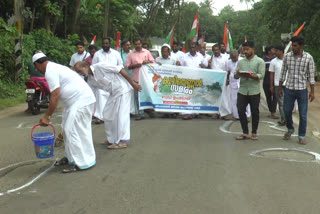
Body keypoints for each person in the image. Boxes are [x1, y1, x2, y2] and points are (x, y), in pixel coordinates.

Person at [33, 52, 96, 173]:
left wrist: (47, 116)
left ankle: (81, 162)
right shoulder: (54, 67)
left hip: (81, 101)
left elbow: (55, 94)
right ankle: (70, 157)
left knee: (72, 130)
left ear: (37, 64)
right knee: (66, 129)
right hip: (74, 103)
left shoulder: (50, 71)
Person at [74, 61, 141, 149]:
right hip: (113, 93)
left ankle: (122, 141)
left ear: (85, 66)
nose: (80, 73)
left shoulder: (100, 66)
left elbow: (120, 70)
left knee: (120, 116)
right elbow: (89, 94)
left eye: (79, 71)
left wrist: (133, 84)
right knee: (107, 114)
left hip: (122, 89)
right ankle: (111, 139)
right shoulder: (90, 80)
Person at [278, 36, 315, 145]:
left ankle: (301, 136)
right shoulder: (287, 57)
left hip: (302, 90)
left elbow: (311, 76)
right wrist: (280, 88)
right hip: (289, 88)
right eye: (292, 45)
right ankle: (290, 128)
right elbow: (283, 73)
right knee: (287, 111)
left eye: (295, 46)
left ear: (301, 46)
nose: (293, 48)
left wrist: (312, 92)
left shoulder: (308, 58)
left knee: (303, 114)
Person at [234, 41, 265, 140]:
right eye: (244, 50)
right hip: (242, 90)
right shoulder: (241, 62)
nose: (245, 52)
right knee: (240, 110)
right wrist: (238, 73)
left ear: (253, 49)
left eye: (247, 50)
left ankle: (254, 132)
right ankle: (245, 132)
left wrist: (252, 75)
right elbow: (235, 75)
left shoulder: (260, 61)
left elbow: (261, 75)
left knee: (255, 111)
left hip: (254, 91)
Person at [92, 37, 123, 124]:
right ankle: (100, 117)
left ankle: (111, 117)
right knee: (100, 98)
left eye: (107, 43)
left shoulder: (116, 53)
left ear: (110, 44)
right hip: (101, 80)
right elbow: (93, 67)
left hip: (113, 79)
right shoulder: (97, 54)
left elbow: (120, 65)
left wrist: (114, 69)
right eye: (104, 43)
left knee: (112, 99)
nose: (105, 45)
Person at [126, 37, 155, 120]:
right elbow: (128, 66)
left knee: (148, 95)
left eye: (139, 44)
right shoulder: (131, 54)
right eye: (136, 44)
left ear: (141, 44)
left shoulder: (147, 52)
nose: (137, 45)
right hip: (136, 79)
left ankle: (150, 110)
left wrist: (147, 62)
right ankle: (139, 113)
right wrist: (136, 65)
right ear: (133, 45)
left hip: (146, 80)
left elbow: (153, 62)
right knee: (137, 97)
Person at [180, 42, 206, 120]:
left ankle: (196, 112)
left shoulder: (200, 56)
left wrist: (203, 66)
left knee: (196, 96)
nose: (192, 49)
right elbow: (180, 67)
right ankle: (188, 113)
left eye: (194, 47)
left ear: (196, 48)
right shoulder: (184, 56)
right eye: (191, 47)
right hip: (187, 80)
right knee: (188, 96)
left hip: (197, 80)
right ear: (189, 48)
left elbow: (206, 65)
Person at [209, 43, 231, 120]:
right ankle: (216, 113)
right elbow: (208, 68)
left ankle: (225, 113)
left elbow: (228, 69)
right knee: (215, 96)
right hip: (214, 80)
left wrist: (228, 79)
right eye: (214, 50)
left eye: (217, 50)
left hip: (223, 79)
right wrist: (208, 64)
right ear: (212, 51)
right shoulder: (211, 58)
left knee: (224, 97)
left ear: (219, 50)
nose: (216, 51)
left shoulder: (225, 58)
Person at [227, 50, 251, 120]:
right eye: (232, 58)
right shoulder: (228, 62)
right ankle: (236, 116)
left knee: (245, 99)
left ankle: (247, 115)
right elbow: (228, 71)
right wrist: (227, 80)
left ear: (238, 56)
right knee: (234, 100)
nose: (233, 59)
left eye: (234, 57)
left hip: (242, 82)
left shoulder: (243, 61)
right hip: (233, 83)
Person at [269, 45, 285, 126]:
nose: (276, 52)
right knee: (281, 103)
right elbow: (272, 74)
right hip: (277, 85)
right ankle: (283, 119)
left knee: (287, 103)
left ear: (282, 51)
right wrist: (271, 86)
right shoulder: (273, 62)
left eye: (277, 50)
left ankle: (287, 118)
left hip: (287, 84)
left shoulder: (287, 60)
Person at [263, 46, 278, 119]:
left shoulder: (276, 59)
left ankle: (273, 112)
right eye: (272, 49)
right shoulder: (263, 60)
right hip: (266, 80)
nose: (274, 50)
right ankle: (271, 111)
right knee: (268, 97)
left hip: (275, 80)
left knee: (275, 96)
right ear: (269, 51)